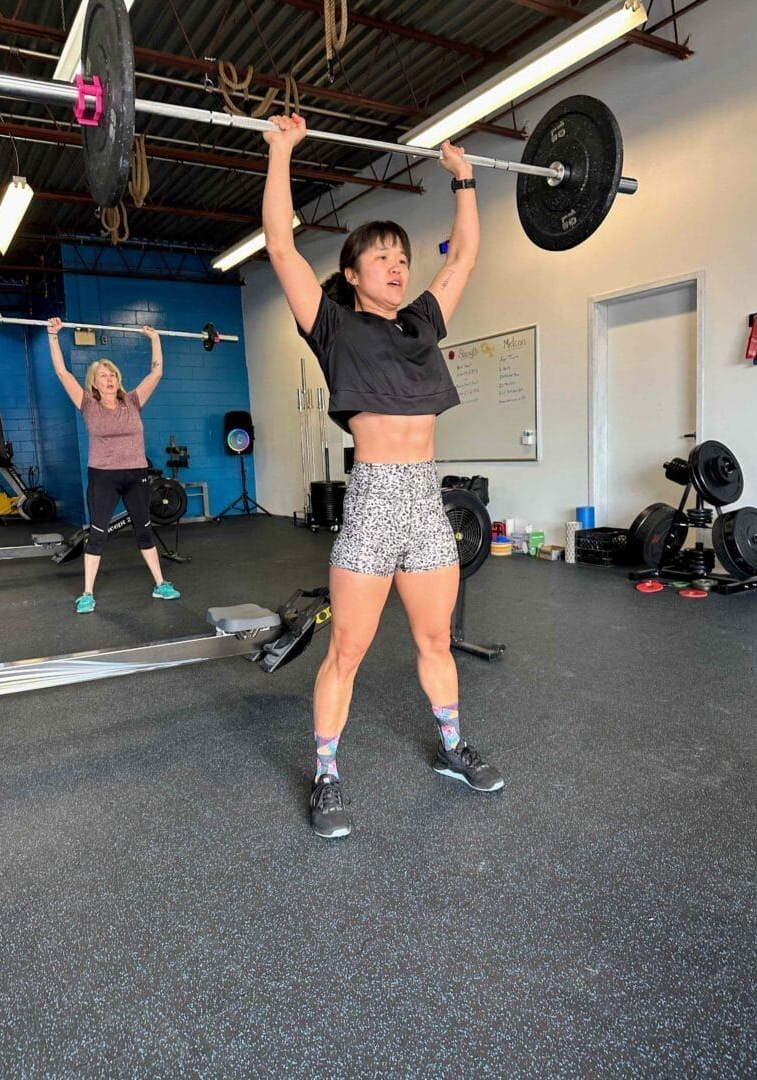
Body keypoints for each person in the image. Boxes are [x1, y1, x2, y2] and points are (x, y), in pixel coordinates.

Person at [262, 113, 503, 839]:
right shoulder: (333, 327)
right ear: (352, 273)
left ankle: (454, 744)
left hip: (426, 502)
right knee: (349, 651)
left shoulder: (422, 323)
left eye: (402, 256)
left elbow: (461, 259)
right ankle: (327, 774)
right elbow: (279, 246)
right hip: (371, 502)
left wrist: (462, 178)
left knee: (435, 641)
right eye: (382, 258)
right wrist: (281, 155)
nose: (398, 267)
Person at [47, 318, 180, 613]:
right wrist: (53, 336)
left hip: (136, 475)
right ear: (94, 382)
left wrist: (154, 339)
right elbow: (61, 372)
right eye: (103, 376)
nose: (109, 379)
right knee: (98, 533)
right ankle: (87, 593)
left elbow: (156, 373)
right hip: (103, 477)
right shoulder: (87, 404)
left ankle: (161, 584)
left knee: (144, 530)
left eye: (113, 374)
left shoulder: (133, 401)